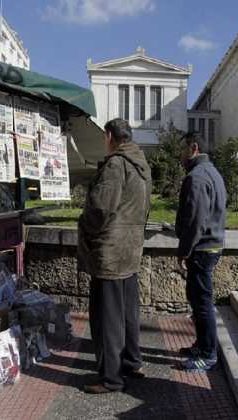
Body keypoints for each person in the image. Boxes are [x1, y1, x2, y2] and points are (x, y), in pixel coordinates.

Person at [78, 118, 152, 394]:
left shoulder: (115, 164)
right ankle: (131, 363)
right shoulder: (141, 166)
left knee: (106, 317)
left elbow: (100, 208)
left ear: (109, 136)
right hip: (131, 249)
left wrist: (84, 227)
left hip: (110, 251)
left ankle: (111, 378)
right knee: (128, 313)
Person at [175, 131, 227, 372]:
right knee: (198, 301)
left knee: (202, 303)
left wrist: (184, 251)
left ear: (194, 148)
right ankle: (202, 345)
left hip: (202, 249)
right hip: (210, 246)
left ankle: (208, 354)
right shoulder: (213, 172)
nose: (181, 155)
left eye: (183, 149)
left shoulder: (196, 177)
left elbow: (195, 220)